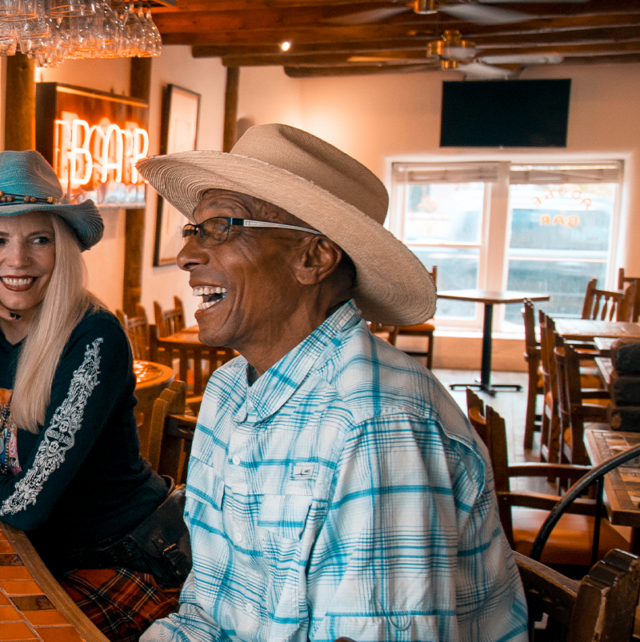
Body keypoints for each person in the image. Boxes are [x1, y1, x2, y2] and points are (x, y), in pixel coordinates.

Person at [137, 124, 528, 641]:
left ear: (313, 258)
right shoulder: (230, 389)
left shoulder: (378, 420)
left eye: (222, 226)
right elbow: (210, 606)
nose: (187, 256)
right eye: (194, 230)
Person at [0, 150, 180, 641]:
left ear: (62, 250)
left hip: (122, 557)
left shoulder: (94, 337)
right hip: (37, 553)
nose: (18, 260)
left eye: (39, 240)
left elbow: (26, 503)